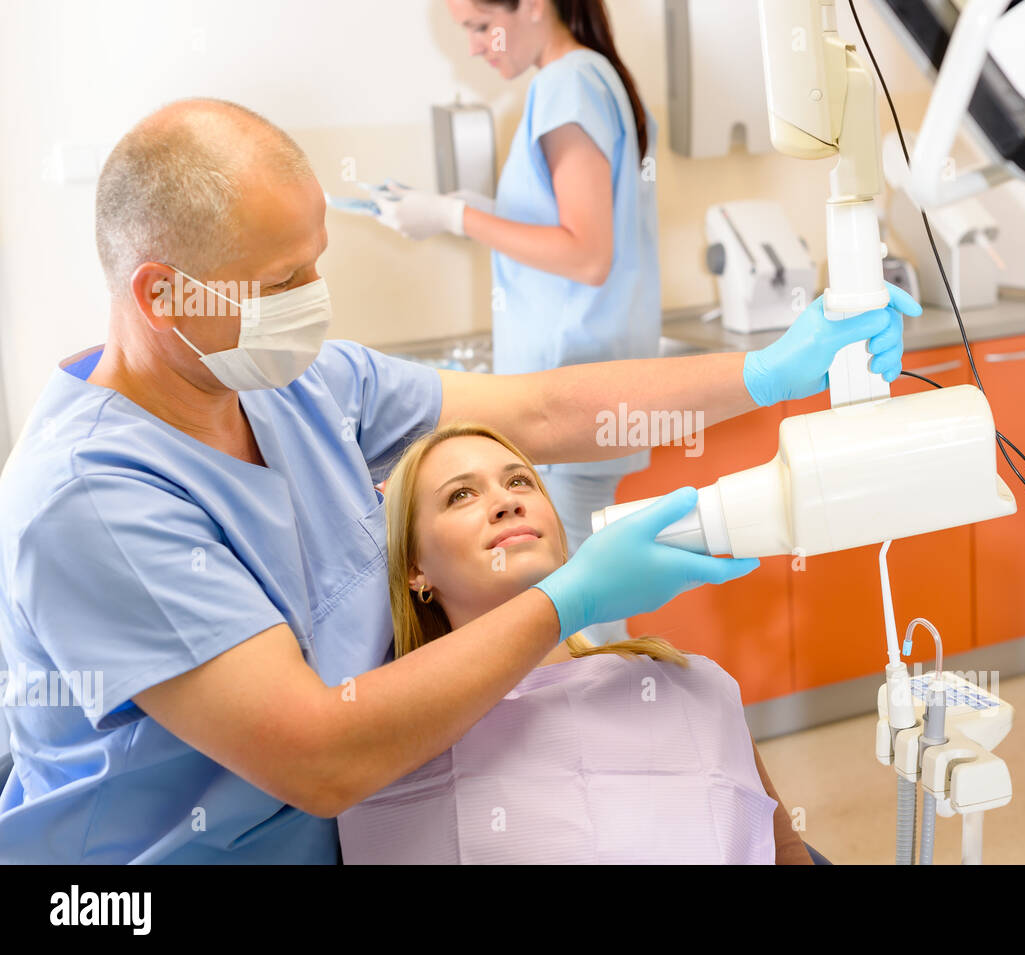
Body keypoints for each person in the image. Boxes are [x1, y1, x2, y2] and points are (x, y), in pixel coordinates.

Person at [0, 97, 916, 863]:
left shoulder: (293, 384)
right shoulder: (91, 501)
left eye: (318, 259)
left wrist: (769, 372)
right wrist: (571, 597)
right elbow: (319, 756)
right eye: (284, 279)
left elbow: (546, 412)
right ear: (165, 295)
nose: (315, 296)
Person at [337, 423, 813, 863]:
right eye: (461, 495)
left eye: (520, 481)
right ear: (415, 569)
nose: (507, 502)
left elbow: (785, 851)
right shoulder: (384, 743)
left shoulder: (687, 683)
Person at [368, 0, 660, 644]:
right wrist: (482, 211)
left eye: (477, 27)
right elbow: (573, 232)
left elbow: (585, 253)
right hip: (589, 384)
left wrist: (454, 219)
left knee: (583, 603)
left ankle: (613, 732)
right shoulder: (593, 77)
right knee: (588, 591)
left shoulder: (567, 83)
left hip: (568, 391)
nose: (474, 47)